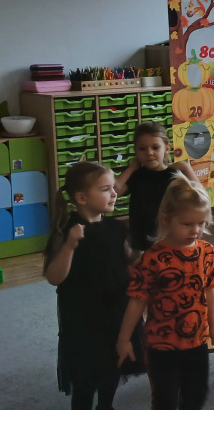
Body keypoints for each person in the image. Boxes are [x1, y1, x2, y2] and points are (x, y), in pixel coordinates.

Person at [116, 177, 214, 409]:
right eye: (187, 224)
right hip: (161, 344)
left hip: (197, 340)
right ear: (166, 219)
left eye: (201, 223)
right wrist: (124, 339)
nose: (196, 230)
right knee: (165, 399)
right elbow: (136, 301)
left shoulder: (207, 252)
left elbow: (210, 291)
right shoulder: (152, 258)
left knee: (196, 396)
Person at [44, 161, 143, 409]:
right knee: (85, 375)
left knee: (113, 365)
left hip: (116, 310)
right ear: (82, 197)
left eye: (113, 188)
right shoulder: (66, 231)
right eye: (106, 189)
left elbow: (130, 258)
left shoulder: (115, 227)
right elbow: (54, 277)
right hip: (84, 318)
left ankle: (106, 406)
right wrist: (70, 246)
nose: (114, 194)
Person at [114, 121, 200, 252]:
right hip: (139, 241)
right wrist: (131, 168)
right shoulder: (137, 175)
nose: (149, 152)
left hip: (166, 240)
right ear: (135, 151)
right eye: (142, 149)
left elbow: (199, 197)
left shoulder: (173, 175)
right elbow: (114, 193)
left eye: (155, 147)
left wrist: (187, 168)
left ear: (167, 148)